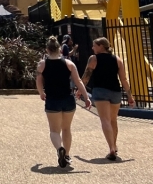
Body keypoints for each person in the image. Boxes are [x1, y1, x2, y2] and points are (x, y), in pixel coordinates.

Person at [36, 36, 92, 168]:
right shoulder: (69, 64)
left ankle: (59, 149)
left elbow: (38, 81)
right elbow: (78, 81)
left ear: (47, 49)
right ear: (60, 49)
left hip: (52, 100)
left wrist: (41, 93)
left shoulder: (42, 64)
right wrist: (86, 97)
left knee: (54, 130)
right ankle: (66, 154)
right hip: (68, 99)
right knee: (66, 128)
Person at [81, 37, 135, 160]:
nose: (92, 48)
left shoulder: (93, 58)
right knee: (113, 120)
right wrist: (129, 96)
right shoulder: (117, 59)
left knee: (105, 120)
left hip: (100, 91)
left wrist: (80, 90)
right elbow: (123, 79)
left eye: (94, 45)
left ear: (101, 46)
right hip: (115, 91)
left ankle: (111, 148)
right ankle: (114, 145)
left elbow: (86, 76)